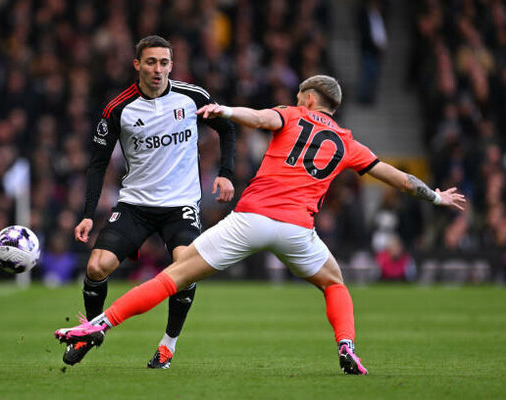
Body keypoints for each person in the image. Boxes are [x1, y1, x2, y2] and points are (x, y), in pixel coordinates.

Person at [55, 75, 466, 374]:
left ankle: (100, 324)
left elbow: (259, 118)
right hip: (297, 231)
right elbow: (396, 176)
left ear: (307, 97)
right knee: (335, 283)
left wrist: (227, 110)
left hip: (251, 220)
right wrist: (435, 196)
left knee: (174, 275)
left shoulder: (291, 114)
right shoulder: (347, 141)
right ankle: (346, 345)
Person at [67, 35, 236, 368]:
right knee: (96, 266)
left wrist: (227, 172)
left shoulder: (192, 97)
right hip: (136, 205)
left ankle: (167, 346)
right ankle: (91, 330)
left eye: (164, 62)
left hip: (181, 205)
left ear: (171, 65)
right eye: (150, 62)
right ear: (137, 65)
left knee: (185, 269)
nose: (158, 69)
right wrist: (88, 214)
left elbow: (227, 129)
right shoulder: (118, 108)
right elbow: (97, 162)